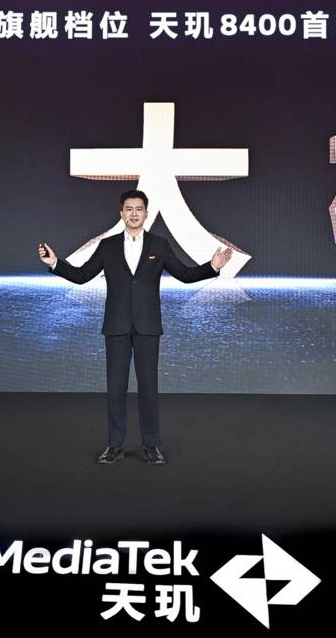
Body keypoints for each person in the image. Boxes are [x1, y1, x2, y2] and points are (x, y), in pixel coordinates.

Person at [38, 189, 233, 465]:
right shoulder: (107, 246)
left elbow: (185, 275)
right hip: (116, 326)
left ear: (146, 213)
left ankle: (151, 446)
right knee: (115, 389)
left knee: (149, 389)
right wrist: (55, 263)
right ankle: (114, 446)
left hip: (148, 326)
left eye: (138, 209)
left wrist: (212, 267)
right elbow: (82, 276)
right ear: (121, 213)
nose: (133, 214)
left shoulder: (159, 245)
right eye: (128, 209)